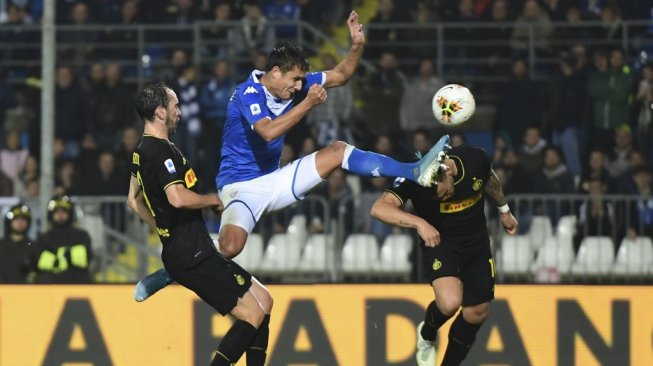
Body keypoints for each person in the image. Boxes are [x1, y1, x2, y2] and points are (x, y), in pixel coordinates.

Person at [135, 10, 449, 300]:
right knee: (230, 247)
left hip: (276, 179)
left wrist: (355, 46)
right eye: (295, 80)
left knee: (337, 150)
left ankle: (414, 169)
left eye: (302, 80)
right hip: (240, 187)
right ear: (274, 73)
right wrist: (309, 103)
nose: (299, 85)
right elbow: (268, 132)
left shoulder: (296, 87)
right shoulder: (248, 93)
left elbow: (341, 75)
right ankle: (171, 271)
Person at [127, 82, 272, 365]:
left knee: (264, 301)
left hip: (188, 249)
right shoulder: (161, 152)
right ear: (160, 112)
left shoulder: (142, 150)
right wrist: (212, 201)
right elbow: (178, 198)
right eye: (175, 106)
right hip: (192, 254)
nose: (179, 112)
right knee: (252, 315)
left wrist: (162, 228)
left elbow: (133, 201)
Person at [370, 136, 518, 366]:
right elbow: (379, 208)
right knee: (450, 303)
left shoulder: (475, 158)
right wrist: (420, 223)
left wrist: (504, 210)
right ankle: (427, 334)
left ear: (448, 173)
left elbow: (488, 177)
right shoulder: (413, 172)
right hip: (441, 242)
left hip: (476, 242)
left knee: (477, 313)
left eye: (442, 192)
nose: (439, 197)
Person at [32, 195, 93, 284]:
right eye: (56, 211)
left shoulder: (81, 236)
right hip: (50, 286)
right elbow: (39, 261)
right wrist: (68, 256)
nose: (60, 214)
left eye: (64, 211)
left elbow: (85, 257)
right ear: (51, 214)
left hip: (77, 283)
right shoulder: (43, 238)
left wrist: (56, 258)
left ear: (70, 213)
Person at [0, 203, 34, 283]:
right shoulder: (1, 246)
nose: (20, 222)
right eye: (16, 219)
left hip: (26, 292)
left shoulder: (33, 246)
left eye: (23, 219)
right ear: (9, 222)